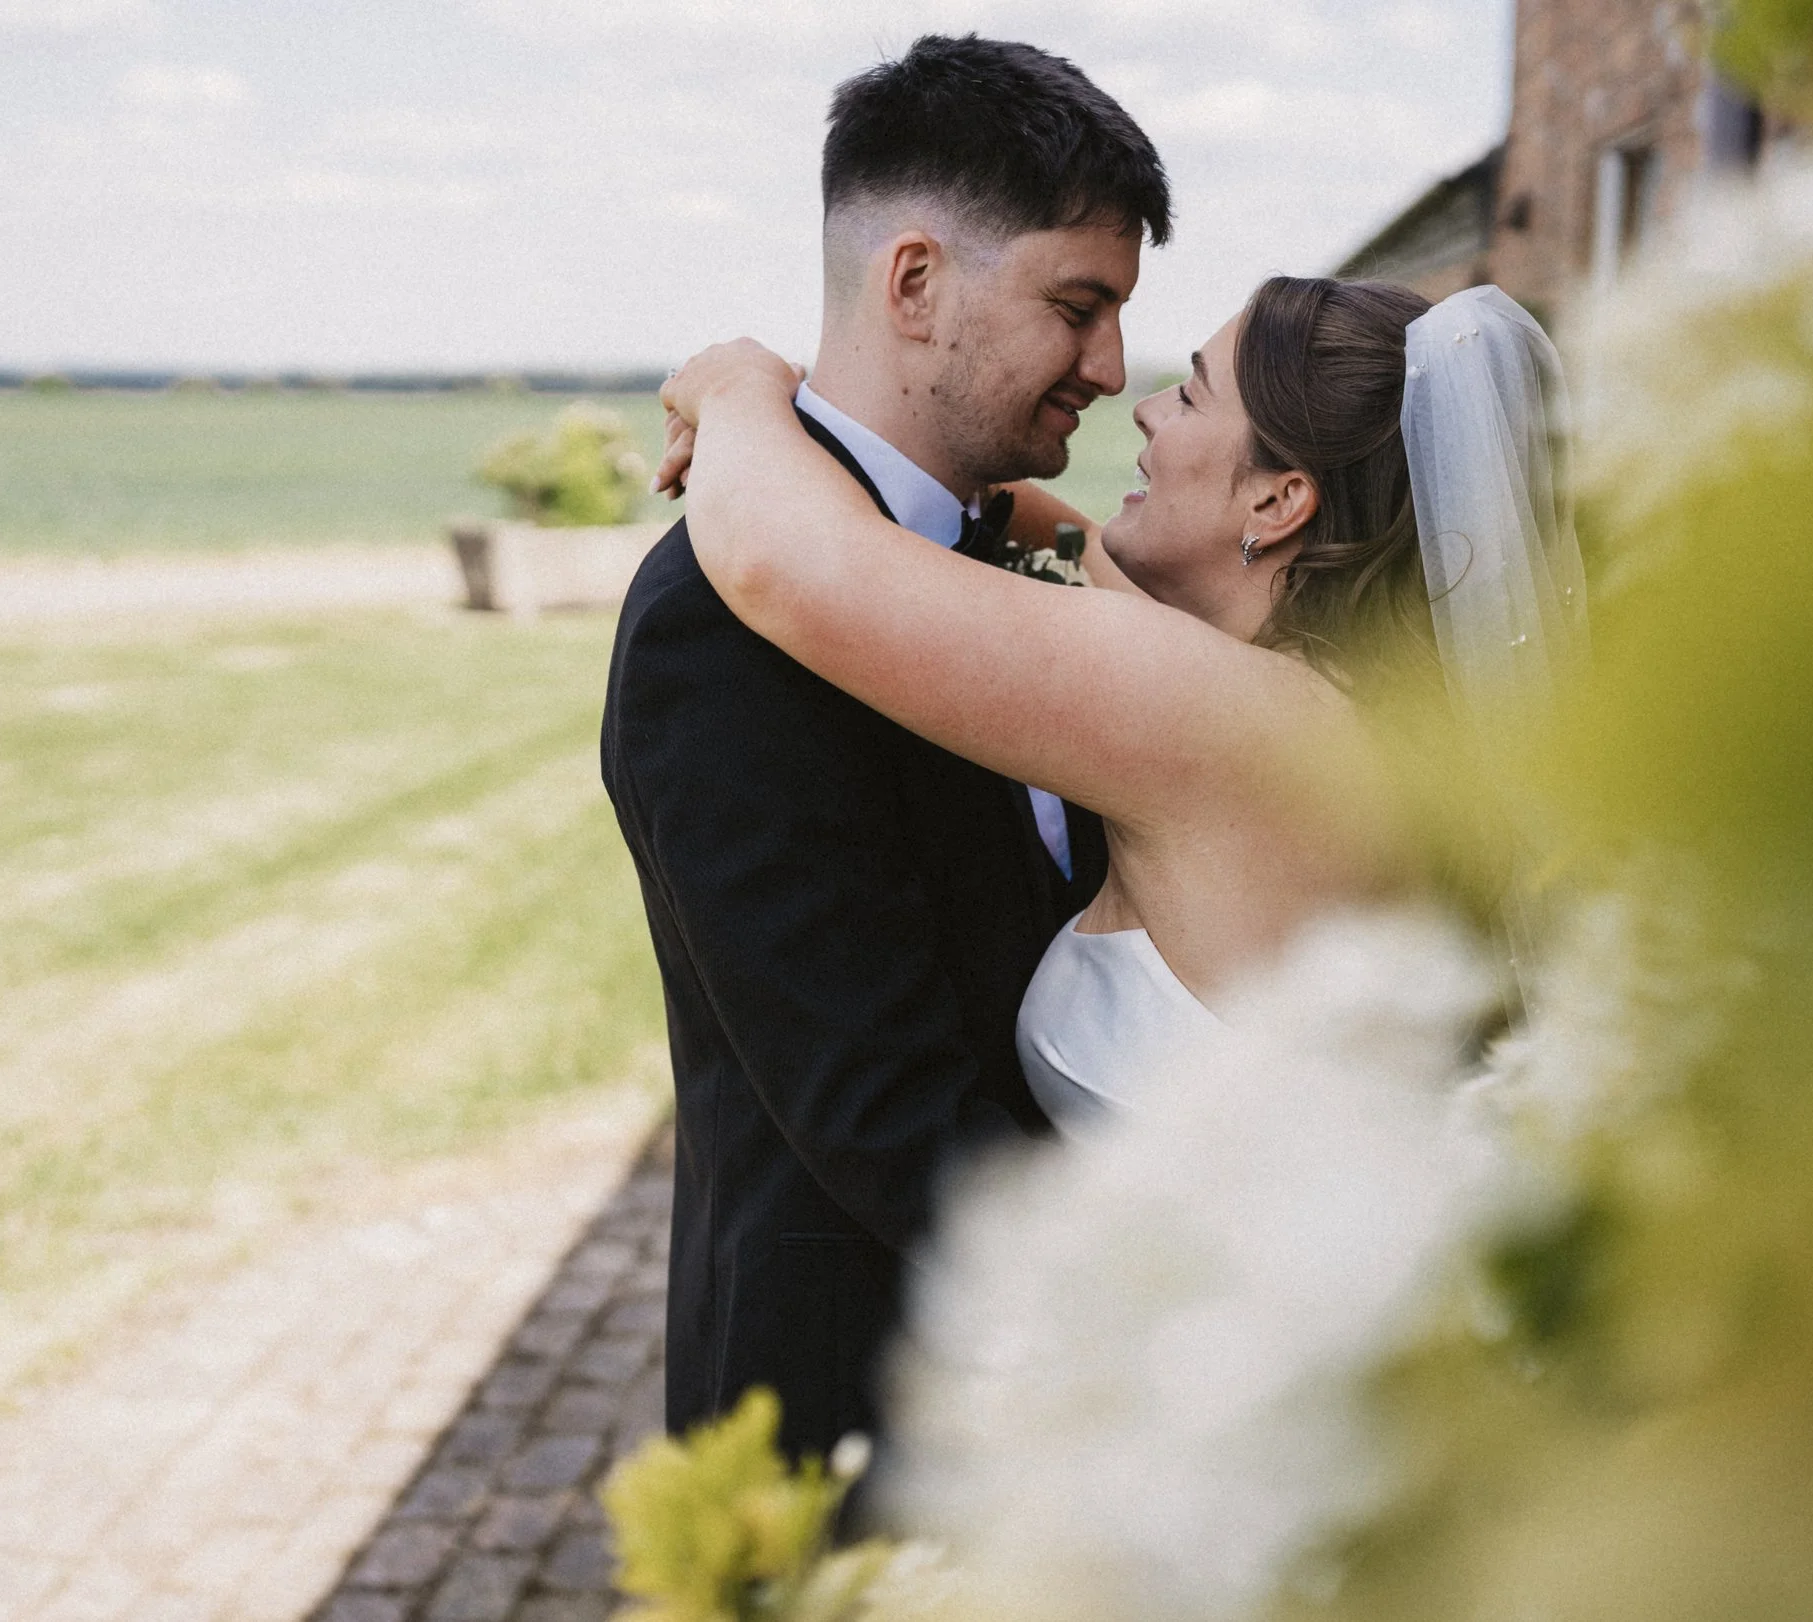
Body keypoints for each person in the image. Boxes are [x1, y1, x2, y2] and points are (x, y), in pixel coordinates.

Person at [598, 34, 1171, 1466]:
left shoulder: (1003, 549)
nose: (1109, 365)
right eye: (1077, 304)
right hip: (858, 1417)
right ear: (915, 282)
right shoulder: (719, 623)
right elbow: (880, 1108)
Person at [655, 277, 1589, 1125]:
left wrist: (737, 386)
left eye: (1189, 394)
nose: (1142, 410)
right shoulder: (1359, 708)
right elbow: (1098, 549)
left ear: (1277, 503)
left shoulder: (1219, 718)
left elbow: (781, 565)